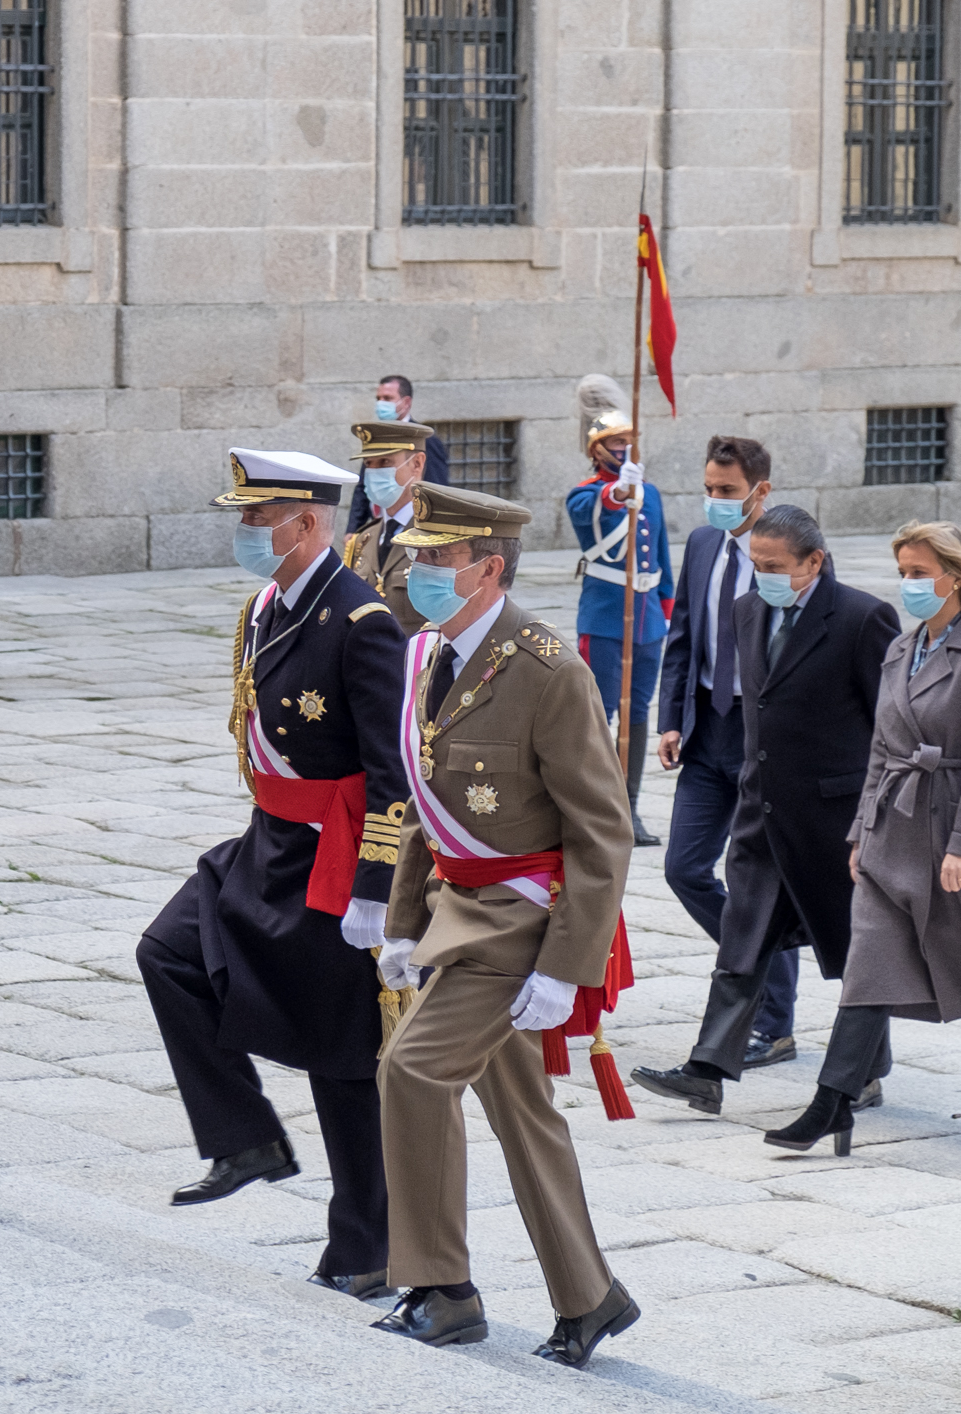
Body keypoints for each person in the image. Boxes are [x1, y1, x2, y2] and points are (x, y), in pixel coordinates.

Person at [370, 482, 640, 1370]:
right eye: (415, 554)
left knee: (411, 1071)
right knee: (521, 1111)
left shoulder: (548, 670)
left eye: (436, 558)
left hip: (522, 920)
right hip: (457, 913)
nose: (415, 569)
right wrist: (403, 922)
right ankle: (589, 1298)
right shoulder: (430, 655)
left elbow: (600, 832)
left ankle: (443, 1291)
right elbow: (426, 803)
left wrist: (565, 969)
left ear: (486, 569)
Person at [137, 448, 412, 1302]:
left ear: (307, 523)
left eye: (259, 518)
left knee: (343, 1056)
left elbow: (392, 771)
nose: (246, 531)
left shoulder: (361, 621)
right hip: (269, 838)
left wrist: (375, 887)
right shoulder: (265, 606)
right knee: (167, 952)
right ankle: (245, 1137)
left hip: (333, 853)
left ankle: (367, 1246)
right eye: (244, 517)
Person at [766, 522, 961, 1156]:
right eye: (903, 573)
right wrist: (861, 831)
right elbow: (881, 749)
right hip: (894, 831)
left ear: (956, 576)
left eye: (919, 573)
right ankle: (832, 1102)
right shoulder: (901, 647)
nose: (908, 585)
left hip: (959, 833)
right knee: (869, 966)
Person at [632, 505, 900, 1116]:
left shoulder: (861, 618)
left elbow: (889, 724)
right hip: (762, 812)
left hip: (833, 818)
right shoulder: (748, 610)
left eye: (775, 566)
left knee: (854, 948)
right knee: (742, 941)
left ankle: (864, 1071)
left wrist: (875, 813)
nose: (762, 576)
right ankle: (707, 1071)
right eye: (756, 564)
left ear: (815, 561)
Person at [654, 436, 798, 1068]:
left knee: (759, 882)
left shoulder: (790, 548)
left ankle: (774, 1023)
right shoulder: (702, 543)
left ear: (761, 490)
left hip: (763, 735)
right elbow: (682, 634)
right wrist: (670, 718)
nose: (715, 500)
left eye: (728, 491)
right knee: (683, 868)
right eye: (709, 488)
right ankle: (756, 956)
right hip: (706, 728)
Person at [565, 375, 673, 847]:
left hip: (646, 619)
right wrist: (618, 495)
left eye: (629, 441)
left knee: (638, 713)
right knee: (600, 714)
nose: (625, 449)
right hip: (606, 617)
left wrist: (666, 612)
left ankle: (629, 806)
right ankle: (594, 808)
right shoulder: (586, 492)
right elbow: (590, 515)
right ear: (597, 450)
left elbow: (662, 557)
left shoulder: (651, 492)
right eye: (616, 443)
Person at [342, 419, 436, 637]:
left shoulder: (439, 537)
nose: (374, 472)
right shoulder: (363, 539)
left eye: (385, 462)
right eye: (368, 464)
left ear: (417, 463)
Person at [347, 376, 449, 532]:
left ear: (406, 402)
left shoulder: (424, 440)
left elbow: (436, 488)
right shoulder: (377, 437)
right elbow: (363, 488)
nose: (381, 403)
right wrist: (353, 529)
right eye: (378, 398)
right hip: (379, 527)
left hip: (412, 527)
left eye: (387, 398)